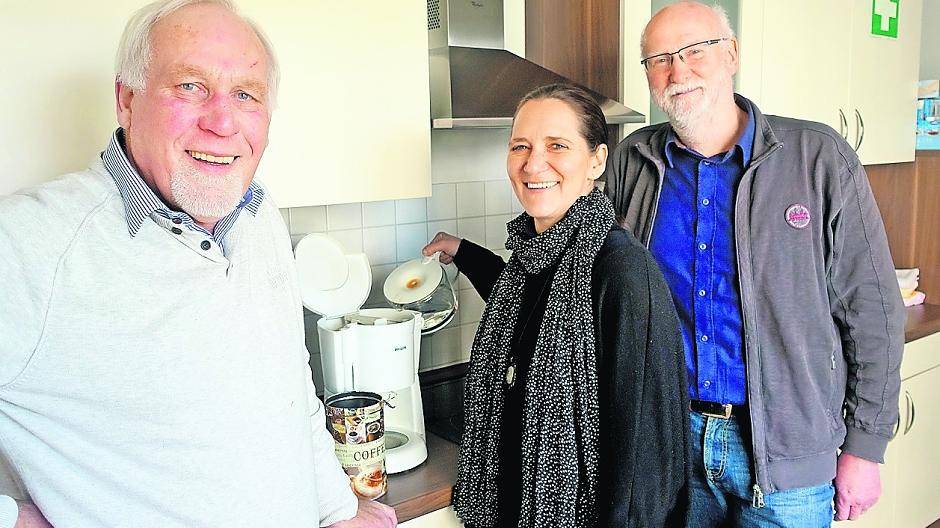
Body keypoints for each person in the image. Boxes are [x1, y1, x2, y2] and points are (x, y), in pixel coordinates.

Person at [0, 1, 396, 527]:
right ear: (126, 100)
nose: (222, 121)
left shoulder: (259, 217)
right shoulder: (32, 241)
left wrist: (338, 510)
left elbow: (289, 388)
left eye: (245, 95)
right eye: (190, 86)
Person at [603, 2, 906, 527]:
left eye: (695, 50)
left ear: (732, 54)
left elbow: (874, 312)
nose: (678, 71)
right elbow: (581, 271)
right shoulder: (633, 162)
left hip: (789, 456)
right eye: (659, 59)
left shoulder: (818, 158)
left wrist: (865, 447)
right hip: (671, 446)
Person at [423, 83, 688, 528]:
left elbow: (648, 452)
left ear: (597, 161)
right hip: (512, 506)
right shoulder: (536, 253)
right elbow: (529, 312)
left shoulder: (621, 271)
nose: (533, 163)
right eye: (520, 146)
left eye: (557, 146)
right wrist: (463, 252)